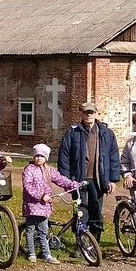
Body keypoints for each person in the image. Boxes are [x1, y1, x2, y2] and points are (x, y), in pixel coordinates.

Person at [57, 101, 121, 240]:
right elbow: (64, 157)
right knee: (81, 213)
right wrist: (67, 181)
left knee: (96, 212)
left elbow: (113, 157)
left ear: (96, 113)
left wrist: (113, 180)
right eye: (86, 112)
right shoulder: (73, 133)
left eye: (91, 112)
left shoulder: (106, 133)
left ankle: (94, 244)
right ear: (82, 114)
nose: (89, 115)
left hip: (98, 180)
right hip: (78, 181)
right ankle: (81, 245)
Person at [21, 143, 78, 264]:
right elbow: (28, 186)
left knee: (43, 230)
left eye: (42, 156)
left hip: (44, 206)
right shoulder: (29, 169)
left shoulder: (49, 170)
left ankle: (46, 254)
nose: (39, 158)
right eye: (36, 156)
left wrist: (72, 185)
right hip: (32, 204)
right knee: (30, 229)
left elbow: (60, 179)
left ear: (46, 158)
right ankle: (31, 252)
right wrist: (41, 196)